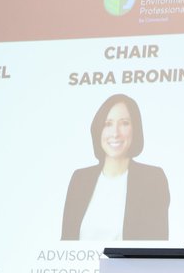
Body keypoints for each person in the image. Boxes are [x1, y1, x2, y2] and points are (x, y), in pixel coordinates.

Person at [61, 94, 169, 240]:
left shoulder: (152, 179)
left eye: (124, 123)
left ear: (135, 129)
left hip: (130, 264)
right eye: (108, 124)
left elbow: (156, 243)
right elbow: (66, 240)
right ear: (98, 130)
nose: (115, 133)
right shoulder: (80, 179)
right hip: (80, 263)